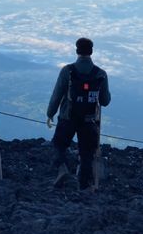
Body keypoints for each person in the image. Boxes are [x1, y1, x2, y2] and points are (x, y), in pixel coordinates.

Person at [46, 37, 111, 190]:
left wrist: (50, 113)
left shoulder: (67, 71)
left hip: (68, 116)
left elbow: (57, 94)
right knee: (87, 152)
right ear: (91, 52)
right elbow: (105, 101)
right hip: (89, 119)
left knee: (59, 145)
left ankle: (63, 171)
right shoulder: (100, 74)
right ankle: (84, 184)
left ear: (77, 51)